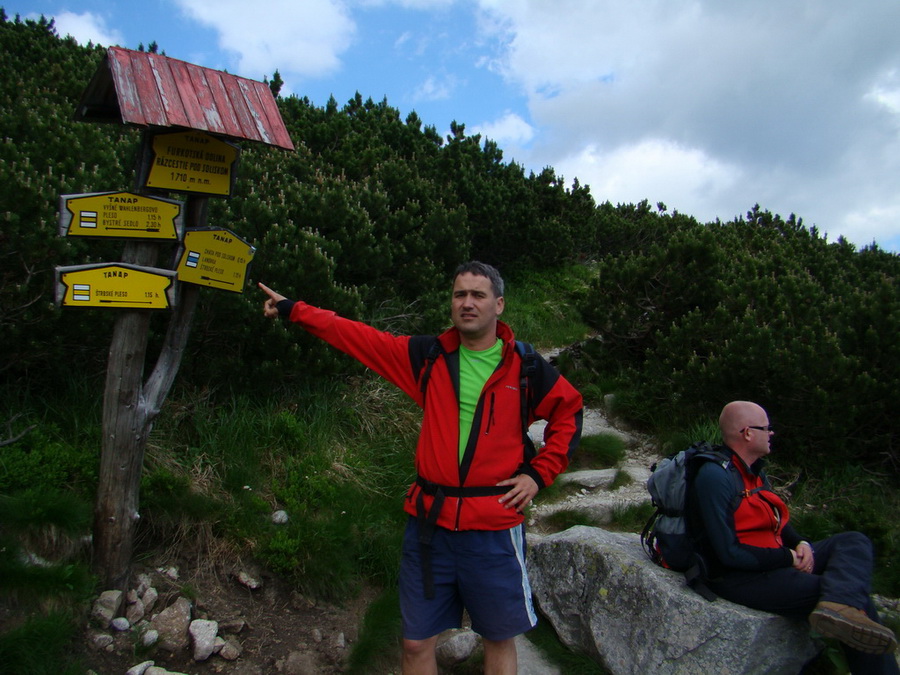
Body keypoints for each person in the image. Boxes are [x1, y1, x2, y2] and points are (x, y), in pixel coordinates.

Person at [259, 261, 583, 675]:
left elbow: (569, 411)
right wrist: (294, 309)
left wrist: (538, 475)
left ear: (498, 304)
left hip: (495, 528)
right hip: (430, 526)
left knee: (498, 640)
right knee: (414, 643)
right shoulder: (427, 357)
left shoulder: (525, 367)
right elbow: (356, 336)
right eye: (459, 294)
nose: (467, 303)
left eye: (478, 295)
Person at [688, 400, 898, 674]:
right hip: (741, 577)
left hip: (774, 559)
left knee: (853, 541)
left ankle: (838, 608)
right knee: (854, 599)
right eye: (767, 428)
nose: (771, 433)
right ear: (748, 433)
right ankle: (844, 610)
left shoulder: (754, 470)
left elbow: (775, 519)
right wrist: (787, 557)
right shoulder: (715, 477)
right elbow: (728, 553)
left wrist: (800, 543)